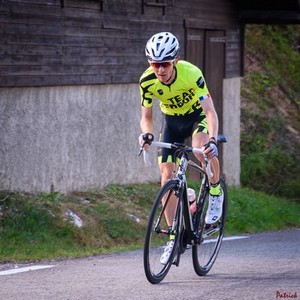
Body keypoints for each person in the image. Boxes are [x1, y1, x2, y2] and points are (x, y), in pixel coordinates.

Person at [138, 32, 224, 264]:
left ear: (175, 60)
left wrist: (213, 140)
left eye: (165, 63)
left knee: (201, 148)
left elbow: (210, 112)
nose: (160, 69)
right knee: (167, 178)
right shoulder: (147, 81)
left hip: (197, 118)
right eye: (155, 63)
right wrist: (147, 133)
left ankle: (215, 191)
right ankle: (173, 238)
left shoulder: (192, 74)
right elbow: (146, 116)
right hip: (172, 123)